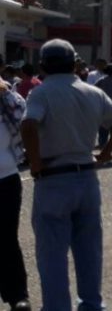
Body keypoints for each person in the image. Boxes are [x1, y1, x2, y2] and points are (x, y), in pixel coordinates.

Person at [21, 39, 112, 311]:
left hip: (53, 180)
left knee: (52, 256)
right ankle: (92, 305)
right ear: (74, 65)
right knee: (89, 251)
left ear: (43, 66)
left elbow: (28, 124)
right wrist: (105, 154)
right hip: (86, 180)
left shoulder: (41, 93)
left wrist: (35, 163)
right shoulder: (93, 93)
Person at [0, 78, 30, 311]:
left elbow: (26, 131)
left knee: (7, 238)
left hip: (6, 178)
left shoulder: (10, 101)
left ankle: (18, 295)